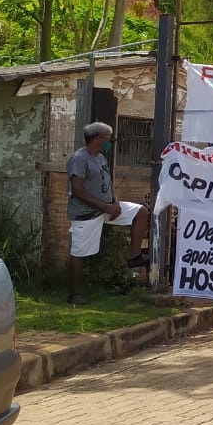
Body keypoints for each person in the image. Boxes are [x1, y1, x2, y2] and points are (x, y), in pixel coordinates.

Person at [66, 122, 150, 305]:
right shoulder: (79, 158)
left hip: (107, 207)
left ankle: (134, 257)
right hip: (87, 212)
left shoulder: (101, 158)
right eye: (107, 139)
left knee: (141, 212)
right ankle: (75, 294)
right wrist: (105, 208)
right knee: (78, 251)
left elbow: (109, 183)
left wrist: (116, 202)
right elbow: (78, 190)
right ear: (98, 139)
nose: (110, 142)